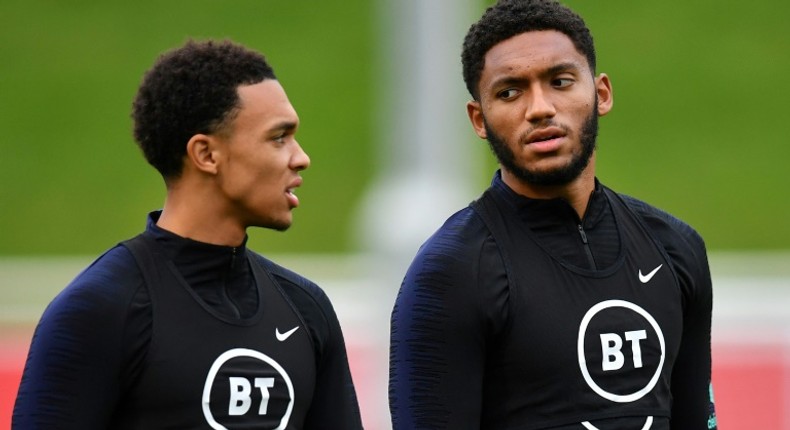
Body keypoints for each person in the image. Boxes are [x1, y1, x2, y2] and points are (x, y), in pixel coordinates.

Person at [389, 1, 717, 429]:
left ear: (601, 94)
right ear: (479, 119)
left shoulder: (675, 248)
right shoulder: (452, 270)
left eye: (560, 82)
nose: (540, 108)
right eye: (510, 92)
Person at [13, 39, 363, 429]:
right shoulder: (102, 309)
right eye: (278, 137)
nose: (301, 158)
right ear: (206, 154)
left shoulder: (306, 308)